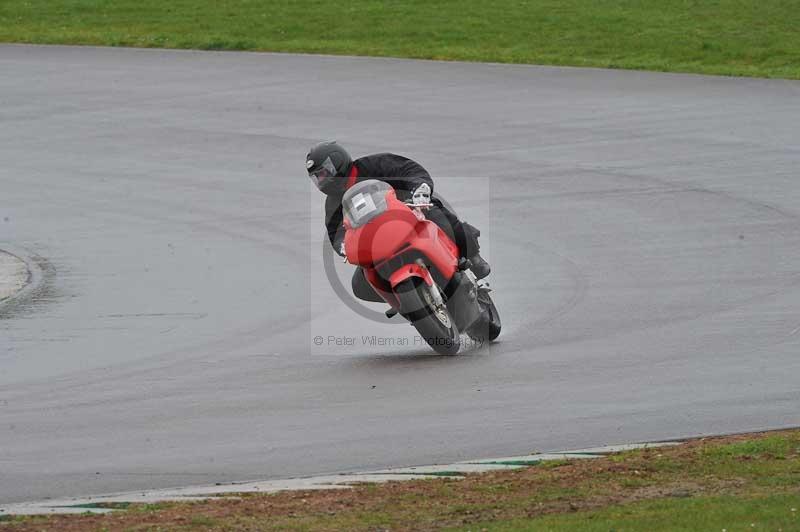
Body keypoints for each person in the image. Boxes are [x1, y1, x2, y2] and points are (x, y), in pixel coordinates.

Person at [306, 140, 490, 302]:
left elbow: (409, 169)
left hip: (411, 211)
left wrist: (419, 188)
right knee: (359, 286)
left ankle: (472, 257)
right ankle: (407, 303)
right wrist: (344, 246)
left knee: (442, 220)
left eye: (324, 173)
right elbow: (335, 233)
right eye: (317, 177)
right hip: (378, 240)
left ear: (338, 161)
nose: (322, 181)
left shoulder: (374, 165)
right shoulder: (333, 203)